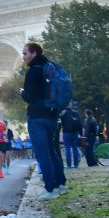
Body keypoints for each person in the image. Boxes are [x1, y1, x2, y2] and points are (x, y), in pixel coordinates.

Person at [21, 42, 67, 198]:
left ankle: (50, 189)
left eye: (25, 53)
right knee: (53, 152)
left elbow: (29, 96)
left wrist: (23, 93)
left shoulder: (33, 71)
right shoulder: (50, 68)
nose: (24, 57)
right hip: (52, 116)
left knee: (42, 154)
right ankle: (61, 185)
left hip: (37, 117)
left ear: (34, 53)